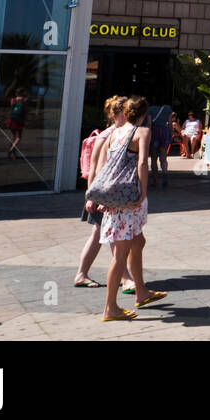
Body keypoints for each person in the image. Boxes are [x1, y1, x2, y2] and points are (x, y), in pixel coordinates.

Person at [95, 96, 165, 321]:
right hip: (129, 197)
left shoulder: (114, 133)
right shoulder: (141, 132)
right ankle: (110, 307)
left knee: (138, 241)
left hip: (116, 196)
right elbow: (143, 162)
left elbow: (105, 165)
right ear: (144, 114)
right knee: (120, 254)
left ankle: (141, 291)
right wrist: (142, 192)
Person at [77, 95, 134, 293]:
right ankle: (125, 278)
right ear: (114, 115)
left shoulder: (119, 133)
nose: (128, 118)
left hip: (105, 194)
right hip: (101, 195)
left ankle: (82, 274)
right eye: (124, 114)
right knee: (111, 235)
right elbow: (95, 168)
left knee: (101, 235)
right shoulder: (106, 136)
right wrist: (92, 197)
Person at [148, 103, 173, 190]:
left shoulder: (150, 109)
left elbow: (149, 123)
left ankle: (155, 181)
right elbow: (170, 123)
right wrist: (171, 133)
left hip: (154, 132)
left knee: (153, 158)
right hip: (164, 132)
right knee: (163, 156)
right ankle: (165, 175)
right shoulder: (167, 108)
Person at [6, 88, 30, 157]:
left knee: (13, 136)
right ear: (23, 93)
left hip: (11, 119)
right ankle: (11, 149)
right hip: (19, 120)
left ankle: (13, 152)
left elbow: (11, 109)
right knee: (18, 137)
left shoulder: (13, 100)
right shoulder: (24, 100)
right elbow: (26, 111)